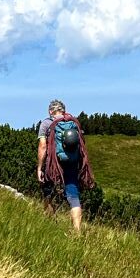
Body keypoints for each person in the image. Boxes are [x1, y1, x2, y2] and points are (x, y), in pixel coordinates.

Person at [37, 99, 94, 232]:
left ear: (51, 111)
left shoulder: (46, 123)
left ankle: (50, 225)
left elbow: (43, 146)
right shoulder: (74, 123)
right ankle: (78, 231)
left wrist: (40, 167)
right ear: (63, 110)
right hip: (72, 164)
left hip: (53, 165)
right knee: (73, 196)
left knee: (48, 193)